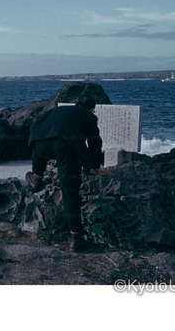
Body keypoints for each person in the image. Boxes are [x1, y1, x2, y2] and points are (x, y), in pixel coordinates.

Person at [25, 96, 111, 252]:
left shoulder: (58, 109)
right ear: (92, 109)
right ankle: (76, 239)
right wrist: (94, 168)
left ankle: (36, 178)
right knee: (69, 191)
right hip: (63, 146)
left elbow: (37, 124)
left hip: (39, 141)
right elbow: (94, 141)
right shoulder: (89, 115)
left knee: (42, 151)